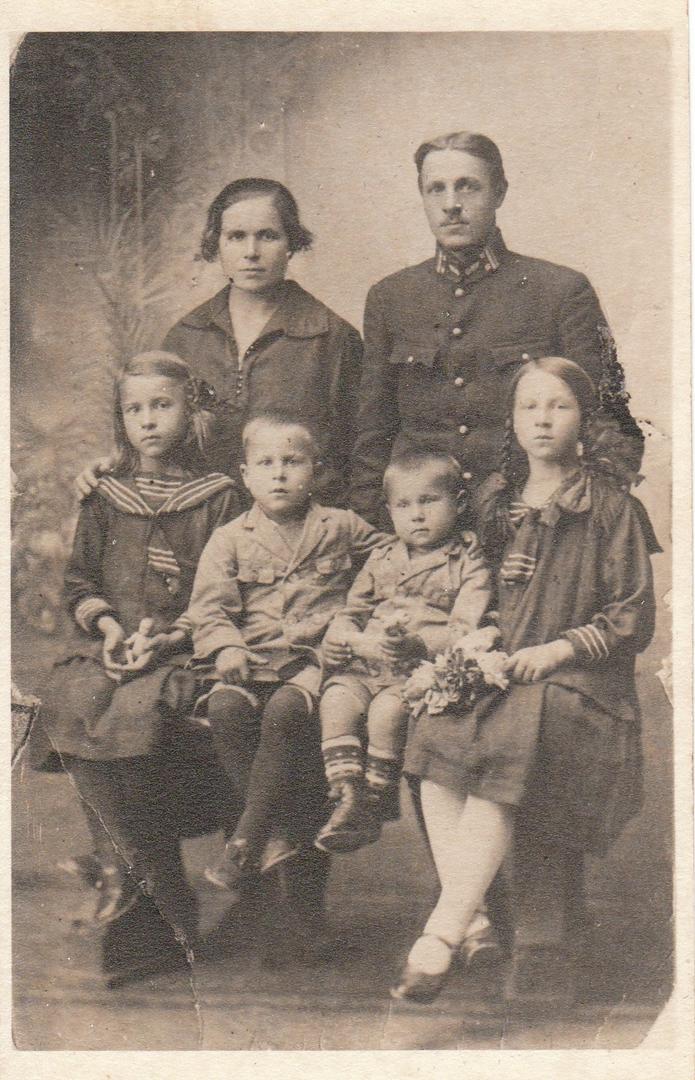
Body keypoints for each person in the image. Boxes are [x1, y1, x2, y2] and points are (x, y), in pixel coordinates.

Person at [392, 357, 659, 1005]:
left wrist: (558, 649)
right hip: (502, 673)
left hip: (583, 686)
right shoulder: (492, 501)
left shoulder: (610, 507)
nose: (542, 420)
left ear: (584, 419)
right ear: (511, 420)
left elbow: (631, 616)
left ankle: (443, 930)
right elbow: (470, 587)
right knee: (431, 729)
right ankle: (475, 919)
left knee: (522, 729)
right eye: (528, 407)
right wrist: (475, 636)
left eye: (559, 406)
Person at [39, 352, 240, 984]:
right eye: (134, 409)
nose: (148, 420)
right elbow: (80, 581)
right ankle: (131, 876)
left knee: (136, 712)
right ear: (120, 419)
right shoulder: (105, 497)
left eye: (162, 405)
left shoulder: (219, 498)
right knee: (72, 699)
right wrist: (107, 628)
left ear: (191, 411)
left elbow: (227, 589)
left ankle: (144, 891)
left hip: (184, 645)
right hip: (115, 642)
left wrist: (171, 635)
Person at [350, 130, 643, 527]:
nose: (451, 204)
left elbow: (610, 425)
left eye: (467, 186)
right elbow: (373, 431)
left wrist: (579, 527)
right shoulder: (390, 297)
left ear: (500, 192)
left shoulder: (561, 291)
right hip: (423, 532)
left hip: (530, 524)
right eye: (436, 189)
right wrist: (373, 529)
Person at [186, 413, 389, 916]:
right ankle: (277, 832)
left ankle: (245, 840)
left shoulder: (340, 525)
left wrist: (357, 618)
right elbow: (208, 610)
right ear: (245, 474)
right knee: (226, 710)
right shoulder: (230, 537)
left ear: (316, 471)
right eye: (265, 463)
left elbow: (394, 559)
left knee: (285, 711)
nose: (278, 474)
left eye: (292, 462)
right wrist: (226, 647)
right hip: (251, 660)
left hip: (314, 660)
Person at [315, 450, 492, 855]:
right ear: (390, 511)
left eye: (429, 501)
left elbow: (466, 629)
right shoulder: (382, 556)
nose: (417, 515)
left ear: (458, 504)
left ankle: (374, 800)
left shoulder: (467, 561)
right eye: (404, 505)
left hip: (415, 671)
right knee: (336, 700)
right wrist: (342, 636)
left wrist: (419, 643)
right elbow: (353, 611)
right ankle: (346, 793)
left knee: (386, 713)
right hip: (365, 665)